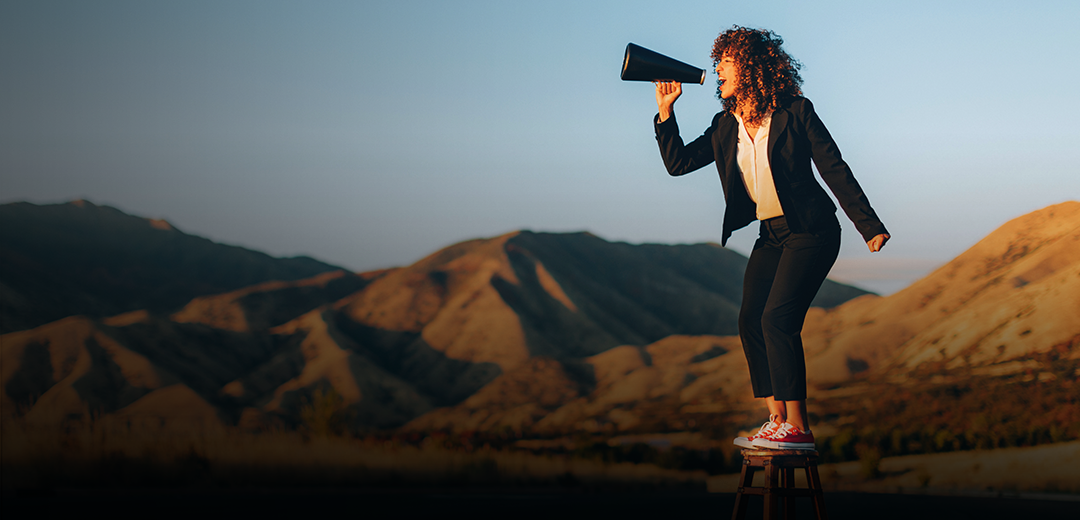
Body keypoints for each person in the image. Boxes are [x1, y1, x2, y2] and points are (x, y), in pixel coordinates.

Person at [652, 26, 889, 450]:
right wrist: (666, 112)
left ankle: (798, 426)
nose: (717, 69)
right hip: (771, 235)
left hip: (811, 230)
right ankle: (775, 419)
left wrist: (868, 225)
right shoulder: (725, 125)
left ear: (752, 66)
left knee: (777, 320)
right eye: (718, 61)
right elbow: (679, 163)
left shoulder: (795, 112)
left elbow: (834, 167)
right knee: (750, 320)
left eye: (725, 61)